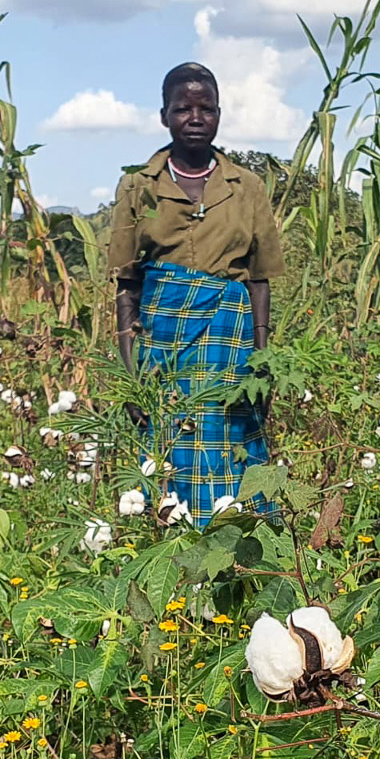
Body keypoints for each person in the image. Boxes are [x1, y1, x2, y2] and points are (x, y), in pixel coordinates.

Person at [108, 62, 285, 526]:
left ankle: (242, 558)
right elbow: (127, 286)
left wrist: (262, 361)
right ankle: (173, 563)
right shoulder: (137, 186)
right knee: (168, 448)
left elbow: (259, 280)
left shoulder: (247, 187)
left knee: (231, 444)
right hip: (162, 345)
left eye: (205, 108)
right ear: (164, 115)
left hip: (230, 344)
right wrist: (131, 378)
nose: (194, 117)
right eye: (182, 108)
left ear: (219, 114)